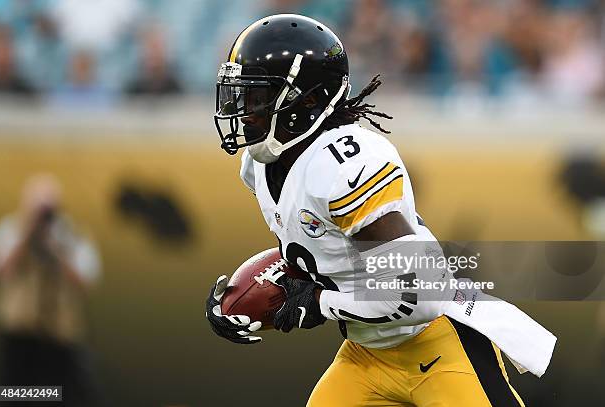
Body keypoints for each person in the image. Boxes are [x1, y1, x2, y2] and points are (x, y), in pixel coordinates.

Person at [205, 14, 555, 406]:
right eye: (241, 96)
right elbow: (314, 248)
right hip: (366, 354)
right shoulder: (260, 164)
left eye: (257, 98)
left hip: (437, 341)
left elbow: (419, 293)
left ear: (305, 101)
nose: (243, 111)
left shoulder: (343, 166)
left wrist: (317, 303)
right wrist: (245, 299)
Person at [0, 174, 100, 406]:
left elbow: (85, 282)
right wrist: (27, 235)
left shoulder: (72, 235)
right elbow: (1, 272)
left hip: (60, 337)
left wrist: (57, 249)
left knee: (62, 396)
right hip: (19, 337)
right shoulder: (10, 230)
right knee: (11, 396)